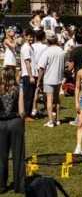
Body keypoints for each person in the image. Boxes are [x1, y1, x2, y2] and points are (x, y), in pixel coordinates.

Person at [0, 66, 25, 194]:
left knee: (1, 157)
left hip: (1, 124)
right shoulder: (18, 89)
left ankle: (1, 185)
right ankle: (19, 185)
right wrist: (23, 123)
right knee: (18, 156)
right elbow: (21, 111)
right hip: (15, 123)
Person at [37, 32, 65, 127]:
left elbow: (41, 68)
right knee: (57, 99)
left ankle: (50, 121)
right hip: (58, 78)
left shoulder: (47, 52)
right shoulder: (61, 51)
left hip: (49, 78)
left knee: (49, 99)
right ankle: (57, 119)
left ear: (47, 40)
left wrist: (38, 80)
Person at [19, 30, 36, 122]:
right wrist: (31, 76)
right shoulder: (26, 48)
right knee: (28, 96)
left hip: (30, 74)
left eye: (32, 36)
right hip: (28, 75)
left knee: (31, 95)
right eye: (29, 36)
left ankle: (28, 114)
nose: (31, 38)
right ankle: (26, 115)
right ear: (25, 36)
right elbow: (27, 62)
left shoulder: (30, 47)